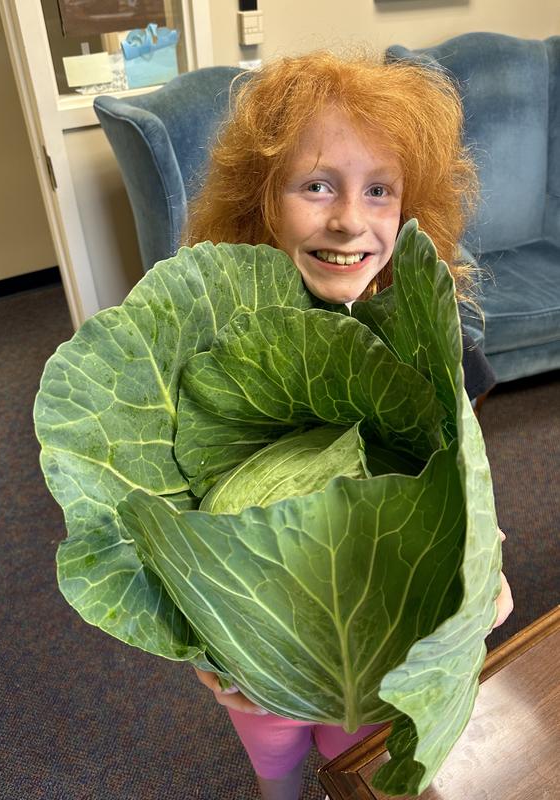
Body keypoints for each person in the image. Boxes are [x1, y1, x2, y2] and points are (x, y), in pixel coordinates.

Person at [184, 50, 514, 800]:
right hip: (257, 644)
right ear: (261, 200)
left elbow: (464, 466)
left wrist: (485, 567)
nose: (349, 220)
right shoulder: (209, 333)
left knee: (356, 756)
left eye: (378, 190)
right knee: (273, 757)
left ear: (409, 206)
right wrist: (193, 631)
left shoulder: (433, 338)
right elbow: (153, 492)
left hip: (386, 639)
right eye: (315, 185)